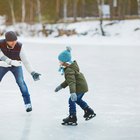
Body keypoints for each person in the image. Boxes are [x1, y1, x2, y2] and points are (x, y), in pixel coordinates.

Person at [0, 31, 41, 112]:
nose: (13, 43)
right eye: (11, 41)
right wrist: (7, 62)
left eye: (15, 41)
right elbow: (1, 56)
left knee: (21, 82)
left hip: (16, 66)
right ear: (6, 41)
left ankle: (28, 104)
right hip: (2, 65)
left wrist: (32, 72)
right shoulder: (0, 44)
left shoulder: (19, 46)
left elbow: (26, 61)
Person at [55, 47, 96, 125]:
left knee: (72, 100)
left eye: (60, 61)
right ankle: (89, 111)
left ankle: (72, 117)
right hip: (82, 85)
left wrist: (73, 93)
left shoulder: (68, 70)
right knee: (77, 100)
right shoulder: (71, 67)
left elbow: (72, 82)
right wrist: (60, 86)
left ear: (65, 62)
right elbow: (69, 81)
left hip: (79, 87)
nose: (59, 62)